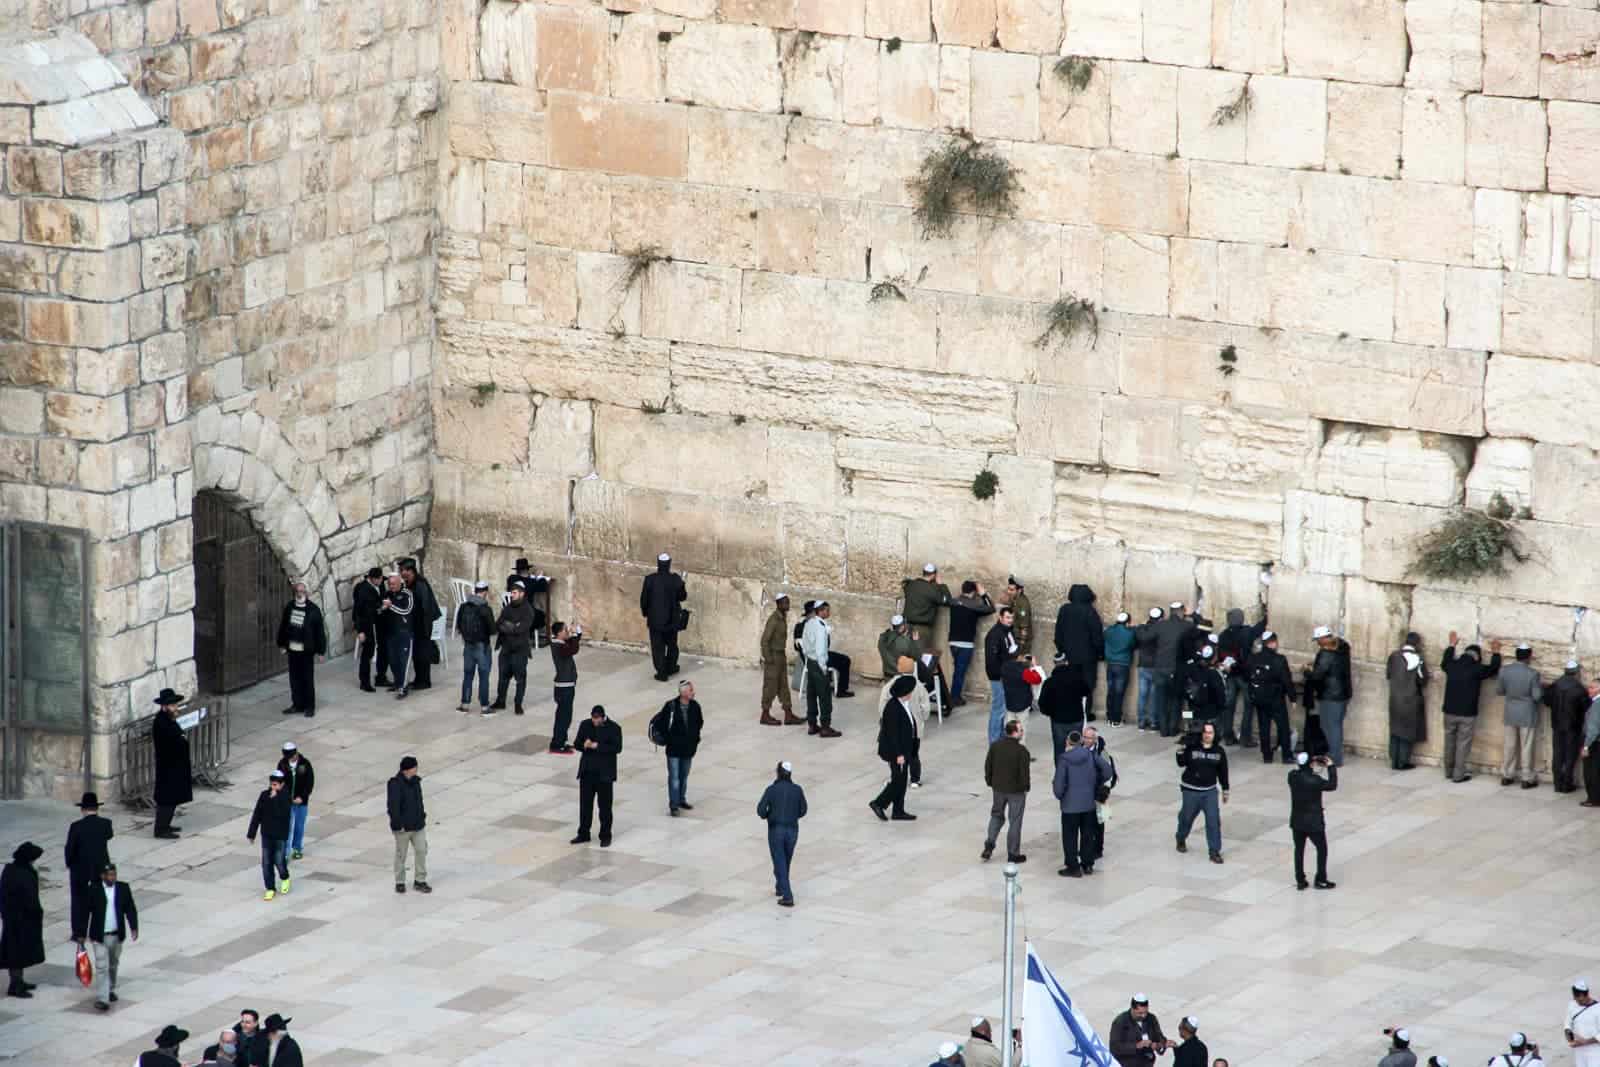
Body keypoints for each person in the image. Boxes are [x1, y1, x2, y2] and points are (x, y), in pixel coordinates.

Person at [1439, 633, 1502, 782]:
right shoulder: (1477, 669)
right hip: (1467, 713)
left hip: (1449, 711)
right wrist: (1496, 653)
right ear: (1477, 657)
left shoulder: (1452, 666)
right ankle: (1458, 775)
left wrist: (1452, 645)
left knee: (1449, 740)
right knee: (1463, 744)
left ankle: (1448, 771)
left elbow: (1445, 661)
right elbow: (1493, 668)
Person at [1054, 729, 1109, 877]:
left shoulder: (1064, 759)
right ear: (1081, 742)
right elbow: (1107, 770)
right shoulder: (1090, 756)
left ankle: (1073, 867)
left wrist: (1061, 796)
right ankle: (1088, 865)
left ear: (1067, 742)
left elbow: (1059, 786)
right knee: (1087, 835)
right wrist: (1096, 785)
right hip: (1088, 804)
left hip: (1070, 806)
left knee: (1070, 837)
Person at [83, 862, 137, 1011]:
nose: (113, 877)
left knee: (113, 964)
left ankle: (110, 989)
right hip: (99, 936)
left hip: (116, 935)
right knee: (101, 967)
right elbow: (85, 911)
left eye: (114, 874)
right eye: (110, 875)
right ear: (103, 876)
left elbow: (130, 908)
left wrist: (133, 927)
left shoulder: (123, 888)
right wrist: (81, 933)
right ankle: (103, 998)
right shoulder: (94, 889)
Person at [1176, 721, 1229, 864]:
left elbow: (1223, 771)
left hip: (1209, 792)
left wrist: (1225, 789)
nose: (1208, 735)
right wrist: (1181, 748)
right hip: (1190, 790)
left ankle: (1214, 851)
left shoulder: (1219, 751)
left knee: (1213, 821)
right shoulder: (1192, 747)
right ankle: (1181, 838)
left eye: (1210, 732)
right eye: (1205, 732)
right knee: (1186, 818)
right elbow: (1181, 763)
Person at [65, 790, 114, 944]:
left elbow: (70, 848)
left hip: (80, 870)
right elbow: (108, 835)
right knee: (99, 900)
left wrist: (70, 864)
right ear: (97, 808)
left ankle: (79, 932)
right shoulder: (106, 824)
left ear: (83, 809)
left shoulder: (76, 827)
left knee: (79, 901)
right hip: (100, 869)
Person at [870, 675, 920, 821]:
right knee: (898, 780)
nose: (911, 693)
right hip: (896, 752)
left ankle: (898, 810)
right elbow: (892, 734)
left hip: (905, 750)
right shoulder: (893, 707)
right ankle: (879, 803)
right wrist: (899, 754)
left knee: (901, 780)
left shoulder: (902, 704)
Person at [757, 760, 806, 907]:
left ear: (778, 773)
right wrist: (793, 815)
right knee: (785, 860)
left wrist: (768, 816)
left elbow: (760, 810)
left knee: (779, 860)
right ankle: (780, 886)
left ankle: (788, 895)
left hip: (776, 829)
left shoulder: (771, 789)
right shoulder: (797, 790)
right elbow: (803, 810)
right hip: (792, 830)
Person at [1216, 607, 1268, 744]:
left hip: (1230, 674)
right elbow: (1260, 628)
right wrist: (1267, 615)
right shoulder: (1247, 632)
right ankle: (1245, 737)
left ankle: (1228, 736)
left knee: (1229, 706)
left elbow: (1220, 656)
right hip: (1245, 674)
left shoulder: (1223, 635)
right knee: (1248, 706)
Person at [276, 579, 327, 717]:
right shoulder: (289, 607)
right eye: (298, 591)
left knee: (307, 679)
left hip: (306, 651)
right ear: (295, 592)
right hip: (292, 650)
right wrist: (281, 644)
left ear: (306, 592)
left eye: (302, 591)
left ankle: (310, 707)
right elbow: (284, 626)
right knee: (294, 679)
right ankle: (297, 704)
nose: (300, 594)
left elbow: (319, 632)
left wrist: (321, 651)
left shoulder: (314, 610)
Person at [573, 705, 623, 846]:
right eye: (593, 718)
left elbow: (617, 748)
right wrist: (584, 745)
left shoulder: (614, 728)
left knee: (605, 807)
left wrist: (597, 746)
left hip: (605, 775)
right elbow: (577, 744)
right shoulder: (585, 725)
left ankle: (605, 836)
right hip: (587, 772)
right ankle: (583, 833)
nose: (594, 721)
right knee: (585, 806)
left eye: (597, 719)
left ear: (602, 717)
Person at [1288, 751, 1338, 890]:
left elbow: (1300, 769)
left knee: (1299, 850)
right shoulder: (1315, 780)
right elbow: (1332, 785)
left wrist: (1311, 762)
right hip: (1313, 822)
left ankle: (1300, 880)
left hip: (1297, 821)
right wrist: (1330, 766)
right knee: (1322, 849)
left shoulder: (1292, 777)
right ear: (1310, 764)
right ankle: (1321, 879)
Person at [982, 718, 1030, 863]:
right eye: (1021, 730)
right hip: (1016, 791)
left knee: (996, 816)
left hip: (998, 788)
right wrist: (1025, 787)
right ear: (1015, 732)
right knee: (1015, 821)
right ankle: (1013, 854)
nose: (1022, 732)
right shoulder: (1021, 751)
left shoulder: (995, 746)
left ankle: (989, 845)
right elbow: (1024, 773)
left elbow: (988, 765)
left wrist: (990, 781)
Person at [0, 842, 44, 998]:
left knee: (21, 951)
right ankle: (15, 985)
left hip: (22, 919)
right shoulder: (18, 873)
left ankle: (19, 980)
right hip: (17, 920)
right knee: (16, 952)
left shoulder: (16, 870)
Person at [1054, 584, 1104, 720]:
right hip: (1088, 657)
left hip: (1069, 655)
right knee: (1087, 685)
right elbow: (1097, 635)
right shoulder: (1089, 611)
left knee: (1070, 683)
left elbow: (1058, 633)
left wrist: (1061, 649)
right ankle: (1085, 713)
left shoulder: (1064, 610)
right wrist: (1100, 652)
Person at [652, 680, 703, 816]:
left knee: (684, 776)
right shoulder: (671, 706)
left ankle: (681, 799)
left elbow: (699, 723)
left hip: (688, 749)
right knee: (674, 777)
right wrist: (670, 739)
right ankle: (674, 804)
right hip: (674, 749)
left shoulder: (695, 706)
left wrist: (695, 739)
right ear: (684, 692)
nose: (694, 692)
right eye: (691, 690)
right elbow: (662, 724)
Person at [1305, 625, 1354, 765]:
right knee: (1336, 725)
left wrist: (1306, 670)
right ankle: (1334, 753)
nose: (1317, 643)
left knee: (1330, 726)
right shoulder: (1343, 647)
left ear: (1322, 639)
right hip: (1344, 693)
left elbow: (1317, 675)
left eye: (1318, 640)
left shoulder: (1325, 654)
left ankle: (1334, 758)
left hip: (1331, 695)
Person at [1247, 632, 1296, 764]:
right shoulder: (1279, 659)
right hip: (1275, 698)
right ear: (1272, 643)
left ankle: (1267, 755)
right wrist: (1292, 698)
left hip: (1259, 698)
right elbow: (1286, 680)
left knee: (1264, 727)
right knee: (1283, 727)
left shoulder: (1253, 658)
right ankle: (1287, 755)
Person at [878, 656, 927, 787]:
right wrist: (922, 718)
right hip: (915, 729)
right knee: (914, 754)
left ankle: (896, 777)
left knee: (896, 755)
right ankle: (915, 779)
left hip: (898, 729)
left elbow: (882, 705)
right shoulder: (919, 685)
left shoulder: (891, 685)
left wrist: (885, 720)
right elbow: (926, 707)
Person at [1499, 643, 1543, 788]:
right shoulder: (1533, 674)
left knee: (1509, 745)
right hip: (1527, 713)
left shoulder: (1504, 671)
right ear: (1529, 656)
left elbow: (1500, 691)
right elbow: (1537, 696)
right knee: (1526, 746)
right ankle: (1526, 777)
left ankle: (1507, 774)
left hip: (1510, 712)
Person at [150, 688, 191, 838]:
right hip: (167, 767)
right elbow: (170, 742)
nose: (176, 708)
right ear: (164, 706)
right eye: (173, 706)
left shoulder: (168, 720)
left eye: (175, 705)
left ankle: (166, 825)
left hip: (174, 766)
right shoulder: (161, 722)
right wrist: (181, 739)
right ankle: (160, 829)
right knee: (166, 799)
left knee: (172, 798)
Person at [246, 770, 292, 902]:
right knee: (266, 863)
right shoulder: (264, 796)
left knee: (279, 860)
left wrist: (275, 799)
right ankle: (270, 888)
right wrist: (252, 833)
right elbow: (257, 814)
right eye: (272, 784)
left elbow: (282, 814)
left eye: (276, 785)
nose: (273, 787)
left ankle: (284, 877)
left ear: (282, 785)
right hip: (266, 834)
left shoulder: (285, 797)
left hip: (280, 835)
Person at [641, 552, 687, 681]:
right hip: (672, 620)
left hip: (655, 621)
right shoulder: (675, 579)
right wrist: (682, 585)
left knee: (658, 647)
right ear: (669, 563)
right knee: (672, 645)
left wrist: (646, 613)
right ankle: (671, 667)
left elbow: (644, 600)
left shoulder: (650, 579)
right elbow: (682, 597)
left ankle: (661, 672)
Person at [387, 755, 431, 893]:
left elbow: (419, 801)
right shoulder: (395, 784)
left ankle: (420, 880)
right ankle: (400, 881)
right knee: (401, 855)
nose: (416, 769)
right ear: (406, 770)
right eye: (414, 767)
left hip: (418, 825)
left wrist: (422, 816)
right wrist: (397, 824)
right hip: (403, 828)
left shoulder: (416, 781)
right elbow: (393, 806)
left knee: (422, 850)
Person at [1152, 603, 1196, 737]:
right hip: (1177, 669)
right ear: (1182, 611)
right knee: (1176, 700)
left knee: (1161, 700)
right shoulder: (1187, 626)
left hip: (1160, 668)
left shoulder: (1160, 625)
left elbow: (1145, 636)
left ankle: (1163, 730)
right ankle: (1173, 728)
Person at [947, 581, 994, 706]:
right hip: (965, 644)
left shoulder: (954, 602)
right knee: (959, 672)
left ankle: (954, 695)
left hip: (952, 642)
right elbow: (991, 608)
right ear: (973, 592)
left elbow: (949, 600)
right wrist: (983, 594)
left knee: (957, 670)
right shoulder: (974, 605)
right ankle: (954, 697)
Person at [1386, 632, 1429, 770]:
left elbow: (1388, 674)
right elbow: (1423, 680)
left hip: (1394, 698)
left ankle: (1394, 760)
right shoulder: (1417, 658)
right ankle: (1403, 761)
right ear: (1416, 644)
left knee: (1395, 730)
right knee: (1406, 731)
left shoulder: (1393, 656)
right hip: (1410, 700)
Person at [490, 582, 533, 716]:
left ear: (522, 593)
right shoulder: (507, 608)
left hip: (520, 650)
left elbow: (521, 629)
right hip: (506, 648)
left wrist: (510, 626)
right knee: (503, 677)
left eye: (514, 593)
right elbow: (498, 624)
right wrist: (511, 626)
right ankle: (500, 701)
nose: (512, 595)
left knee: (520, 679)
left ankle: (518, 704)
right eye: (511, 593)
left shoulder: (528, 610)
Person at [1546, 661, 1590, 793]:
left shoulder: (1555, 685)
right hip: (1573, 726)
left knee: (1558, 754)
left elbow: (1547, 701)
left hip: (1557, 725)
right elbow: (1586, 708)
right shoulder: (1579, 689)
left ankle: (1557, 783)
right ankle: (1566, 784)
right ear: (1576, 673)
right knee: (1570, 755)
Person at [801, 602, 843, 737]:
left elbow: (805, 644)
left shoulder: (809, 623)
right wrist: (824, 668)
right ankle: (825, 727)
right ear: (821, 611)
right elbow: (820, 651)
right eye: (827, 610)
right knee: (825, 696)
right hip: (818, 664)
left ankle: (812, 725)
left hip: (810, 662)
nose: (829, 613)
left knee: (811, 694)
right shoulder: (820, 627)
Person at [400, 557, 442, 691]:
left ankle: (424, 681)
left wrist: (423, 627)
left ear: (410, 571)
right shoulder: (410, 583)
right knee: (416, 654)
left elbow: (425, 607)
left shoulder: (420, 584)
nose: (401, 573)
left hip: (423, 625)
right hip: (416, 624)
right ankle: (419, 679)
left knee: (422, 654)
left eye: (403, 570)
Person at [759, 592, 802, 725]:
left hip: (781, 656)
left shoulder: (782, 617)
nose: (787, 605)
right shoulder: (774, 620)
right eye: (785, 602)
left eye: (788, 602)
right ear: (778, 604)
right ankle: (765, 715)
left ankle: (788, 714)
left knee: (783, 686)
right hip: (773, 656)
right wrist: (768, 658)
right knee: (770, 686)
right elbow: (764, 640)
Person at [456, 579, 496, 715]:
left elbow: (458, 625)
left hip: (467, 646)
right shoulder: (485, 609)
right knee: (484, 676)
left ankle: (464, 704)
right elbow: (492, 630)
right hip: (482, 646)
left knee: (468, 675)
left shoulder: (463, 606)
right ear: (485, 592)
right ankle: (485, 706)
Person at [1039, 652, 1090, 756]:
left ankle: (1061, 771)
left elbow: (1043, 704)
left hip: (1058, 721)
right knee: (1076, 749)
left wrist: (1051, 713)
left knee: (1059, 750)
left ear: (1054, 663)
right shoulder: (1077, 678)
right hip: (1076, 718)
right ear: (1066, 662)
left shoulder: (1050, 682)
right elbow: (1086, 691)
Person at [983, 606, 1020, 743]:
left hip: (1007, 674)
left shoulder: (1008, 632)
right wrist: (1000, 675)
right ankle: (994, 740)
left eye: (1012, 617)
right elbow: (992, 660)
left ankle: (1000, 737)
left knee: (1003, 710)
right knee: (998, 709)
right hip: (999, 677)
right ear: (1000, 618)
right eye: (1007, 618)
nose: (1010, 620)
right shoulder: (994, 634)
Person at [1083, 724, 1117, 864]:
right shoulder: (1081, 749)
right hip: (1085, 791)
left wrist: (1104, 791)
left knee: (1099, 821)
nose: (1086, 740)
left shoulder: (1102, 753)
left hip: (1099, 791)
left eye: (1089, 738)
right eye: (1084, 737)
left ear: (1095, 739)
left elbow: (1109, 774)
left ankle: (1098, 848)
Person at [548, 619, 583, 753]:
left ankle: (561, 741)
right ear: (560, 633)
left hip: (567, 686)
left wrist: (577, 632)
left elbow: (574, 643)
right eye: (566, 630)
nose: (568, 632)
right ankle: (557, 744)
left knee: (566, 716)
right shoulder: (558, 646)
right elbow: (572, 649)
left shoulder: (561, 643)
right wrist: (573, 635)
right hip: (564, 687)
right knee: (563, 717)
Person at [1108, 994, 1173, 1066]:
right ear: (1132, 1009)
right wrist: (1136, 1046)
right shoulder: (1120, 1022)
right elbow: (1114, 1048)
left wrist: (1161, 1044)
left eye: (1146, 1012)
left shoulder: (1151, 1018)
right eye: (1140, 1013)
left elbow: (1159, 1037)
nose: (1144, 1015)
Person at [276, 742, 315, 859]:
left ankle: (297, 848)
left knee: (299, 825)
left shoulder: (305, 764)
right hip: (287, 802)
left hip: (301, 802)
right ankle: (286, 853)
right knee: (287, 827)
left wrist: (302, 797)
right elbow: (278, 783)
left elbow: (309, 783)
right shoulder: (282, 764)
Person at [902, 563, 952, 651]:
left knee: (905, 654)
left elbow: (905, 584)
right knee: (920, 655)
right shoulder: (932, 590)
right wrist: (941, 585)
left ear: (923, 572)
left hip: (906, 626)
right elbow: (947, 600)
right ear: (933, 575)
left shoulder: (910, 585)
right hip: (922, 629)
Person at [380, 573, 414, 697]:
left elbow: (406, 610)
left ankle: (403, 688)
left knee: (403, 660)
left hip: (404, 632)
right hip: (391, 633)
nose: (391, 586)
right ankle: (398, 683)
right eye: (389, 584)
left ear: (400, 582)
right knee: (393, 660)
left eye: (393, 584)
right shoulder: (387, 594)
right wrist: (382, 608)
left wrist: (391, 606)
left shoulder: (407, 593)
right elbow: (381, 611)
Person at [353, 567, 386, 691]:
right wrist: (360, 630)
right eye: (380, 579)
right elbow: (358, 612)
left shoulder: (375, 586)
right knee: (367, 654)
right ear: (374, 579)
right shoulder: (363, 590)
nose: (382, 581)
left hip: (375, 625)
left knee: (375, 651)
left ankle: (378, 678)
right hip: (366, 626)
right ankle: (364, 682)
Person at [1183, 645, 1227, 735]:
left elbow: (1184, 690)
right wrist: (1221, 707)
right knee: (1210, 740)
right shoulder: (1214, 673)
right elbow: (1221, 694)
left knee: (1194, 736)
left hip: (1194, 712)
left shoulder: (1191, 669)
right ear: (1213, 658)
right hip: (1211, 714)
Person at [1103, 611, 1136, 726]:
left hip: (1110, 664)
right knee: (1119, 693)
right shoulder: (1129, 634)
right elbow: (1133, 644)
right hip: (1122, 665)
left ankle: (1109, 716)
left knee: (1111, 692)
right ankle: (1116, 719)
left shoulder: (1109, 631)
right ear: (1127, 622)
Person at [1001, 650, 1044, 739]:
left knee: (1009, 729)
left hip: (1009, 703)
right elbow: (1037, 680)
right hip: (1022, 704)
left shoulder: (1004, 667)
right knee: (1021, 730)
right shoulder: (1023, 671)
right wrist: (1034, 666)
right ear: (1019, 657)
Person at [1134, 607, 1164, 731]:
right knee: (1153, 695)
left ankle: (1141, 721)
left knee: (1142, 694)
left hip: (1143, 664)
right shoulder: (1161, 630)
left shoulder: (1142, 629)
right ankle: (1153, 721)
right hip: (1155, 666)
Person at [1567, 978, 1599, 1066]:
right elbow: (1568, 1023)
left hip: (1595, 1052)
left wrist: (1585, 1042)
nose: (1577, 1001)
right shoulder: (1572, 1005)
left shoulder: (1598, 1009)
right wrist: (1569, 1038)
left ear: (1584, 995)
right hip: (1579, 1051)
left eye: (1579, 999)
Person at [1005, 575, 1034, 654]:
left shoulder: (1023, 604)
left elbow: (1024, 627)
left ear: (1019, 590)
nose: (1008, 591)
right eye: (1008, 589)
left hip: (1021, 641)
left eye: (1011, 590)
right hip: (1014, 637)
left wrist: (1021, 647)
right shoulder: (1014, 600)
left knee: (1020, 664)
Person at [1585, 683, 1600, 808]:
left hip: (1595, 743)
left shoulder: (1596, 705)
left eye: (1592, 687)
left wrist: (1585, 746)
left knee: (1592, 772)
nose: (1588, 690)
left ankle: (1593, 799)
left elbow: (1593, 728)